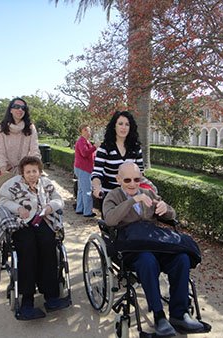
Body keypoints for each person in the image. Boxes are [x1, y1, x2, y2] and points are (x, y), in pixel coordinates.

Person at [103, 162, 204, 336]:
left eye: (137, 179)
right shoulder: (112, 196)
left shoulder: (148, 193)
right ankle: (159, 316)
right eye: (127, 180)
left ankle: (180, 314)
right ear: (118, 179)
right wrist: (133, 200)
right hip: (130, 249)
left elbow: (171, 215)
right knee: (147, 260)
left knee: (181, 258)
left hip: (153, 242)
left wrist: (167, 209)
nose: (133, 184)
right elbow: (110, 220)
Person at [0, 156, 70, 320]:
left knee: (49, 246)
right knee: (27, 251)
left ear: (39, 171)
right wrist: (17, 208)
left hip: (43, 220)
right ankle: (27, 301)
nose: (31, 174)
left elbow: (59, 199)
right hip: (21, 223)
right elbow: (2, 200)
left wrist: (52, 206)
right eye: (28, 171)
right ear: (22, 172)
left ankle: (51, 296)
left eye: (34, 171)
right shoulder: (12, 185)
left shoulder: (46, 183)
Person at [91, 111, 144, 213]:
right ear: (114, 126)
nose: (123, 127)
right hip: (110, 197)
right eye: (120, 124)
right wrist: (97, 187)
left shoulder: (136, 148)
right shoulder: (105, 148)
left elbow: (140, 172)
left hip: (131, 197)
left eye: (127, 124)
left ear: (130, 127)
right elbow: (97, 173)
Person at [0, 97, 41, 175]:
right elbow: (0, 152)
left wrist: (36, 168)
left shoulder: (30, 127)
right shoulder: (0, 128)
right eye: (16, 107)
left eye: (23, 108)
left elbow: (34, 150)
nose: (20, 110)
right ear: (11, 110)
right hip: (7, 170)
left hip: (26, 171)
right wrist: (3, 168)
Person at [74, 123, 97, 217]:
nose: (88, 132)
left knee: (81, 189)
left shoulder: (86, 142)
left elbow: (91, 154)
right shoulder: (81, 141)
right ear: (81, 132)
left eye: (89, 130)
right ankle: (87, 212)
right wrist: (95, 147)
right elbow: (84, 153)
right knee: (87, 190)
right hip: (84, 168)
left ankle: (79, 209)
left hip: (82, 167)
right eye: (85, 130)